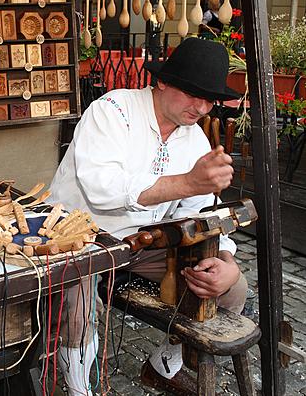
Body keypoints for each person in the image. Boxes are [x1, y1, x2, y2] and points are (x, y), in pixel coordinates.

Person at [47, 37, 247, 395]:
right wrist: (186, 182)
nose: (201, 107)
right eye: (192, 93)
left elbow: (199, 215)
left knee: (231, 287)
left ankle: (163, 365)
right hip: (79, 238)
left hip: (142, 242)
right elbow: (103, 188)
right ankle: (79, 388)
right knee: (76, 305)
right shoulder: (113, 111)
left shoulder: (194, 141)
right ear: (163, 81)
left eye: (209, 99)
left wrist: (226, 257)